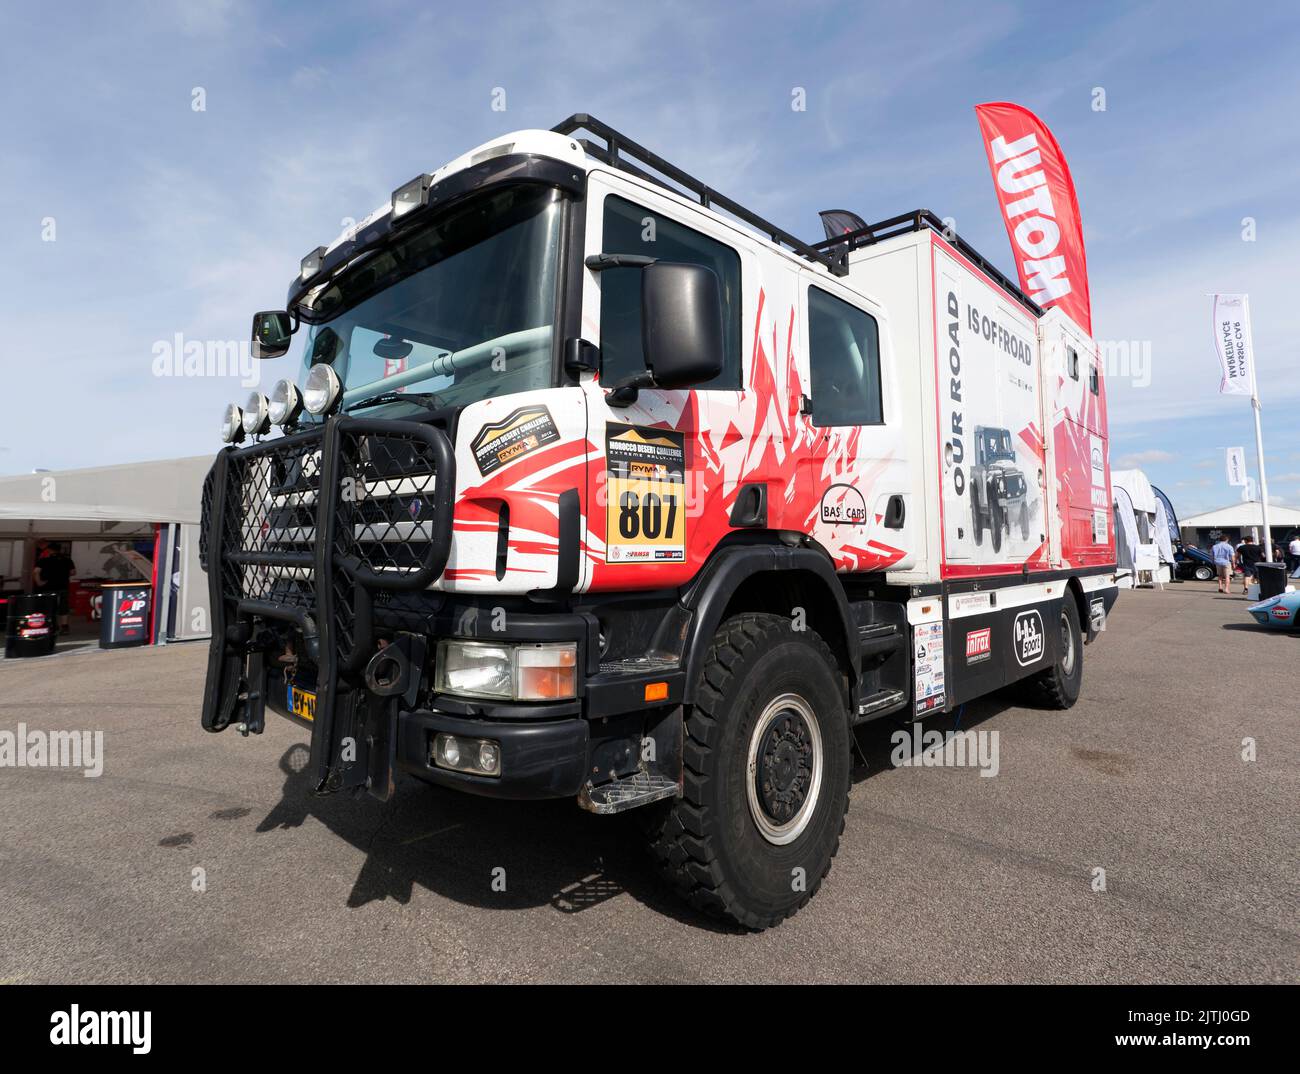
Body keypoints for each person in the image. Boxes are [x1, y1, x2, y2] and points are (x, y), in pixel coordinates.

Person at [33, 541, 76, 634]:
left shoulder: (44, 560)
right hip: (63, 586)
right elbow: (73, 572)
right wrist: (62, 574)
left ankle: (52, 626)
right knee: (63, 606)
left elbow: (36, 572)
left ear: (49, 550)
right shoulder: (67, 560)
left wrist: (39, 582)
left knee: (49, 606)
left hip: (48, 587)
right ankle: (64, 627)